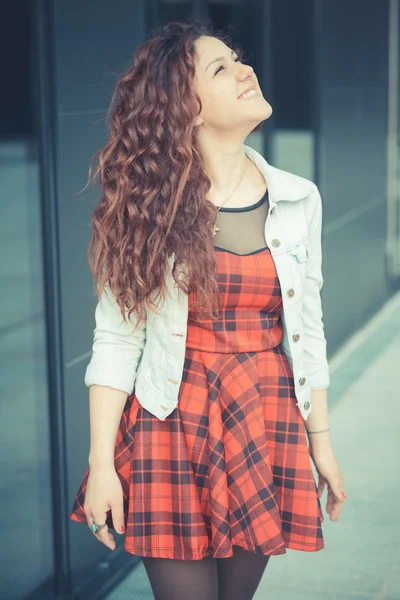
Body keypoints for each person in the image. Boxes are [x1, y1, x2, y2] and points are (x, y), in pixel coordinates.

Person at [69, 19, 346, 600]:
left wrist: (320, 441)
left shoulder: (299, 199)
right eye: (221, 68)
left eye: (239, 58)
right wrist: (101, 466)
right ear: (188, 109)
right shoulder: (149, 206)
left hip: (263, 416)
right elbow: (117, 341)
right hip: (174, 421)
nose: (246, 69)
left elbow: (308, 328)